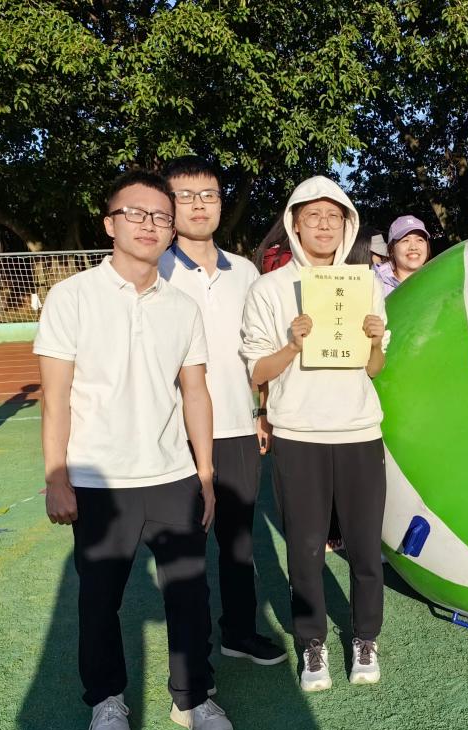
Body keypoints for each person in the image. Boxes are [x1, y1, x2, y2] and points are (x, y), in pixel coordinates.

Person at [35, 170, 234, 730]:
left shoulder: (181, 307)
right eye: (136, 213)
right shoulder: (73, 297)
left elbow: (195, 392)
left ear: (172, 230)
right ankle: (106, 700)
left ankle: (193, 697)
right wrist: (56, 477)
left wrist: (205, 472)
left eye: (161, 217)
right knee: (100, 600)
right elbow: (55, 397)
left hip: (173, 476)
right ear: (110, 224)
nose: (150, 225)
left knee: (190, 595)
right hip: (98, 478)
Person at [240, 176, 389, 691]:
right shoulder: (269, 289)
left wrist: (375, 342)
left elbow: (374, 368)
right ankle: (313, 643)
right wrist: (292, 344)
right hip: (298, 434)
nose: (324, 226)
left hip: (359, 432)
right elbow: (257, 371)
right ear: (294, 224)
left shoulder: (364, 285)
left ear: (347, 225)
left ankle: (365, 638)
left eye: (334, 216)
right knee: (304, 549)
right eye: (313, 217)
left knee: (365, 547)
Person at [158, 156, 286, 667]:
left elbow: (258, 348)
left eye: (208, 194)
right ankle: (192, 657)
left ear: (220, 202)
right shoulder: (156, 269)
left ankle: (239, 631)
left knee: (239, 542)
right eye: (185, 196)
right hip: (173, 430)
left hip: (236, 424)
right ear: (168, 205)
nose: (198, 205)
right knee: (184, 549)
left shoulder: (246, 272)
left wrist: (261, 410)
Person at [374, 215, 432, 297]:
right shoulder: (374, 287)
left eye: (420, 240)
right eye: (405, 240)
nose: (413, 247)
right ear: (392, 249)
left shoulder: (438, 279)